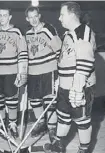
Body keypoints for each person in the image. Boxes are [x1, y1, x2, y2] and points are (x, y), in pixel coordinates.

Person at [43, 2, 96, 153]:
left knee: (81, 119)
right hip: (65, 85)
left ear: (72, 15)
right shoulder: (68, 34)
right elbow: (65, 58)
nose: (59, 18)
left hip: (79, 86)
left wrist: (78, 88)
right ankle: (58, 144)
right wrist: (59, 80)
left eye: (62, 14)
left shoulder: (84, 33)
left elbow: (84, 63)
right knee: (63, 115)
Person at [0, 8, 28, 139]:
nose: (3, 18)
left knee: (12, 99)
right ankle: (1, 123)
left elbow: (22, 55)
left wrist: (22, 73)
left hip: (11, 72)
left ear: (10, 17)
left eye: (5, 15)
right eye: (0, 15)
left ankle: (13, 124)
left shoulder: (17, 32)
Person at [24, 6, 62, 141]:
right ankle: (41, 124)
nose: (34, 20)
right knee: (34, 101)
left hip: (48, 70)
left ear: (39, 16)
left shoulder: (48, 29)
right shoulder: (27, 34)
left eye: (36, 16)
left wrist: (60, 69)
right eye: (31, 17)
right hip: (33, 72)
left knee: (50, 101)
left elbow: (59, 50)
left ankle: (52, 129)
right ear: (27, 19)